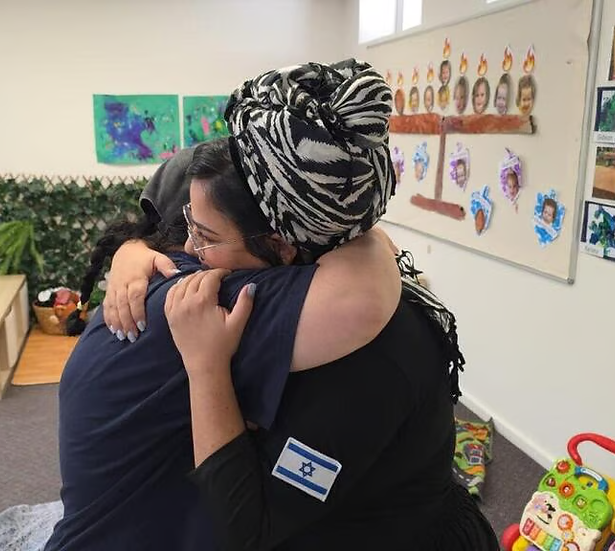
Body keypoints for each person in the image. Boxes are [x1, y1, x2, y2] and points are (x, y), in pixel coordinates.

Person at [103, 60, 498, 549]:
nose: (188, 250)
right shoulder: (327, 250)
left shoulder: (370, 358)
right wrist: (131, 251)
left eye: (204, 236)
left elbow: (247, 530)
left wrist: (205, 369)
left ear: (281, 245)